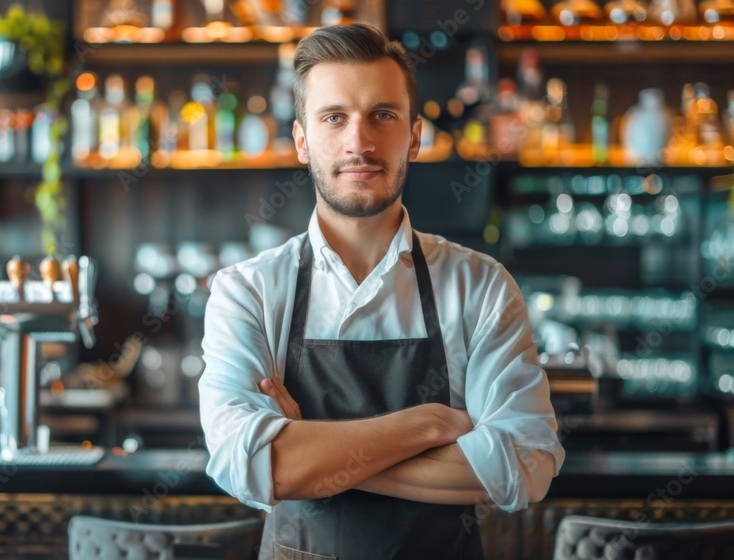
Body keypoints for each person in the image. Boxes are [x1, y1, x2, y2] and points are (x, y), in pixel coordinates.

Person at [198, 23, 565, 560]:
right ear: (301, 140)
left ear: (414, 135)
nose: (359, 141)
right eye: (333, 117)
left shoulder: (480, 286)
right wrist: (431, 423)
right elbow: (247, 463)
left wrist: (312, 447)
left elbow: (523, 465)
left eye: (383, 116)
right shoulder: (248, 292)